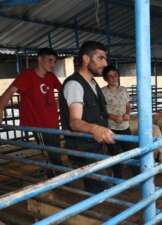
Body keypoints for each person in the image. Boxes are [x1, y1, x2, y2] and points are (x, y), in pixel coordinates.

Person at [59, 41, 114, 193]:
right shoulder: (75, 84)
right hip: (84, 148)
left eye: (105, 58)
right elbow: (74, 122)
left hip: (96, 145)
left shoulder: (92, 83)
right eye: (100, 58)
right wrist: (95, 128)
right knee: (98, 189)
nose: (105, 63)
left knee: (102, 186)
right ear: (85, 59)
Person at [0, 48, 63, 178]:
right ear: (40, 59)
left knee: (56, 152)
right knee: (50, 154)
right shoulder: (27, 76)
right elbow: (9, 92)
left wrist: (62, 104)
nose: (52, 64)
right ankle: (56, 178)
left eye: (54, 61)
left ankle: (57, 176)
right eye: (50, 60)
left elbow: (64, 90)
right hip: (39, 124)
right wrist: (0, 109)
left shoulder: (51, 76)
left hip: (53, 123)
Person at [101, 65, 138, 178]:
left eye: (115, 75)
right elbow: (101, 110)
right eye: (110, 76)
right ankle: (118, 178)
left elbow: (128, 104)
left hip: (125, 127)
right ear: (105, 78)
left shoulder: (123, 89)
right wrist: (113, 117)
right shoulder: (102, 92)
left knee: (132, 153)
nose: (113, 78)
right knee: (115, 155)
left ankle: (137, 176)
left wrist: (128, 113)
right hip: (111, 128)